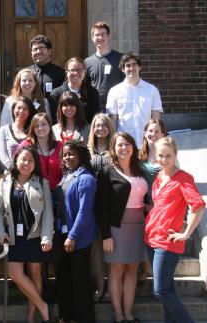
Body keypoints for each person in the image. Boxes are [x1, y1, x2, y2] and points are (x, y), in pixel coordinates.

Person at [145, 137, 206, 323]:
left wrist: (186, 234)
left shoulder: (184, 178)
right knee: (168, 289)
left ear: (176, 155)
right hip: (150, 238)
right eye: (161, 155)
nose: (164, 160)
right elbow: (160, 206)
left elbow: (198, 206)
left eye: (168, 156)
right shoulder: (159, 176)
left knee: (160, 291)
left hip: (168, 241)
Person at [0, 145, 54, 323]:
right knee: (15, 273)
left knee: (35, 274)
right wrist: (0, 232)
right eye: (23, 159)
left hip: (34, 236)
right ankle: (43, 306)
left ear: (35, 163)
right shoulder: (5, 180)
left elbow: (48, 213)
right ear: (16, 160)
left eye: (30, 160)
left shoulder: (42, 182)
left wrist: (47, 237)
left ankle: (32, 315)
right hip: (13, 236)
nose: (26, 163)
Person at [96, 132, 148, 323]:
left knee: (133, 268)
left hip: (138, 226)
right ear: (114, 149)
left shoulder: (140, 170)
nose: (124, 148)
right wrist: (106, 235)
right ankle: (118, 314)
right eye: (119, 145)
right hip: (116, 227)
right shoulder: (106, 172)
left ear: (133, 147)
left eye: (127, 144)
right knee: (116, 270)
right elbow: (100, 206)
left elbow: (146, 199)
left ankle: (128, 312)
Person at [53, 140, 97, 323]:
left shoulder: (86, 178)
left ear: (80, 155)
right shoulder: (67, 175)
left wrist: (73, 236)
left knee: (80, 281)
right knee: (65, 279)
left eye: (70, 154)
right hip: (62, 234)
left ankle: (84, 318)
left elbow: (84, 211)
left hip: (78, 238)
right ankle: (66, 316)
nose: (66, 158)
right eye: (64, 155)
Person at [86, 112, 115, 302]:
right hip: (92, 206)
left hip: (112, 206)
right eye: (97, 125)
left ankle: (113, 288)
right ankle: (100, 287)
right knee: (96, 249)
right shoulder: (87, 151)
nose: (100, 128)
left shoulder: (115, 150)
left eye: (104, 125)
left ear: (109, 128)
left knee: (113, 250)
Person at [106, 53, 163, 147]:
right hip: (125, 145)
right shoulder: (114, 92)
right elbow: (113, 121)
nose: (131, 68)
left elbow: (156, 120)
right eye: (128, 65)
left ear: (140, 67)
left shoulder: (152, 90)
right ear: (122, 69)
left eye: (134, 64)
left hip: (147, 143)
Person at [137, 118, 167, 285]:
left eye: (157, 131)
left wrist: (157, 207)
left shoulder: (168, 155)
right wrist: (146, 205)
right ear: (144, 133)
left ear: (163, 134)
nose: (153, 134)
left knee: (156, 240)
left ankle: (155, 272)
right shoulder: (137, 155)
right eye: (150, 131)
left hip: (162, 208)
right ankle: (144, 267)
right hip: (141, 205)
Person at [84, 21, 125, 108]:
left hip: (117, 106)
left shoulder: (121, 58)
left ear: (108, 36)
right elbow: (85, 86)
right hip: (95, 107)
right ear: (92, 38)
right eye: (97, 35)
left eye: (103, 34)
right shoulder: (87, 62)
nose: (100, 37)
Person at [49, 57, 101, 124]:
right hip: (63, 132)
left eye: (79, 70)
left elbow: (95, 118)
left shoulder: (92, 92)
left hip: (86, 132)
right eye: (72, 70)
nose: (76, 73)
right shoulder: (56, 94)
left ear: (84, 72)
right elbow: (54, 119)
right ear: (67, 73)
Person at [18, 113, 62, 190]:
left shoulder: (60, 146)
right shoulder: (26, 145)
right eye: (37, 126)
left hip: (57, 192)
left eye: (44, 124)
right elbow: (16, 167)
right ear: (33, 129)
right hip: (34, 194)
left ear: (50, 126)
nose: (40, 128)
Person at [0, 96, 36, 171]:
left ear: (29, 112)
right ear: (13, 110)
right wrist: (16, 171)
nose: (21, 111)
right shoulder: (4, 130)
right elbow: (3, 157)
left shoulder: (33, 131)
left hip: (31, 175)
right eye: (18, 108)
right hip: (10, 174)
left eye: (25, 109)